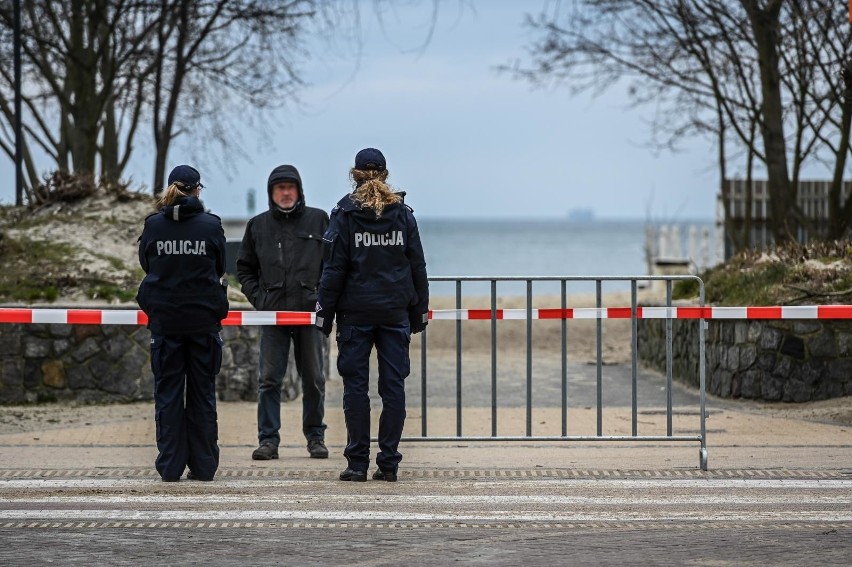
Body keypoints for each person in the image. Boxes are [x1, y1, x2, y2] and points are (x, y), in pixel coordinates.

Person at [316, 148, 429, 482]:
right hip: (395, 313)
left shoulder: (345, 214)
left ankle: (357, 463)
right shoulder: (402, 214)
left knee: (355, 389)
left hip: (355, 314)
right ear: (385, 174)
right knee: (393, 388)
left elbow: (332, 269)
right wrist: (419, 311)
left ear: (355, 174)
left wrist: (324, 314)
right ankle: (389, 462)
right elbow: (417, 265)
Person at [136, 164, 229, 482]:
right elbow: (220, 265)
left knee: (169, 394)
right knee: (203, 394)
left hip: (166, 324)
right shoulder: (211, 226)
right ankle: (204, 466)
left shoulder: (154, 226)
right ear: (197, 190)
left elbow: (145, 262)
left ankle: (171, 465)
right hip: (203, 323)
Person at [237, 165, 330, 460]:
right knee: (268, 380)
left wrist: (322, 301)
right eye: (280, 188)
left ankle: (316, 437)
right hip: (273, 316)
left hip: (309, 315)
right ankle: (268, 441)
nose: (286, 192)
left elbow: (333, 265)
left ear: (299, 190)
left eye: (291, 187)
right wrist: (259, 300)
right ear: (271, 193)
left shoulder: (319, 220)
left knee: (314, 378)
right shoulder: (257, 226)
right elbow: (245, 269)